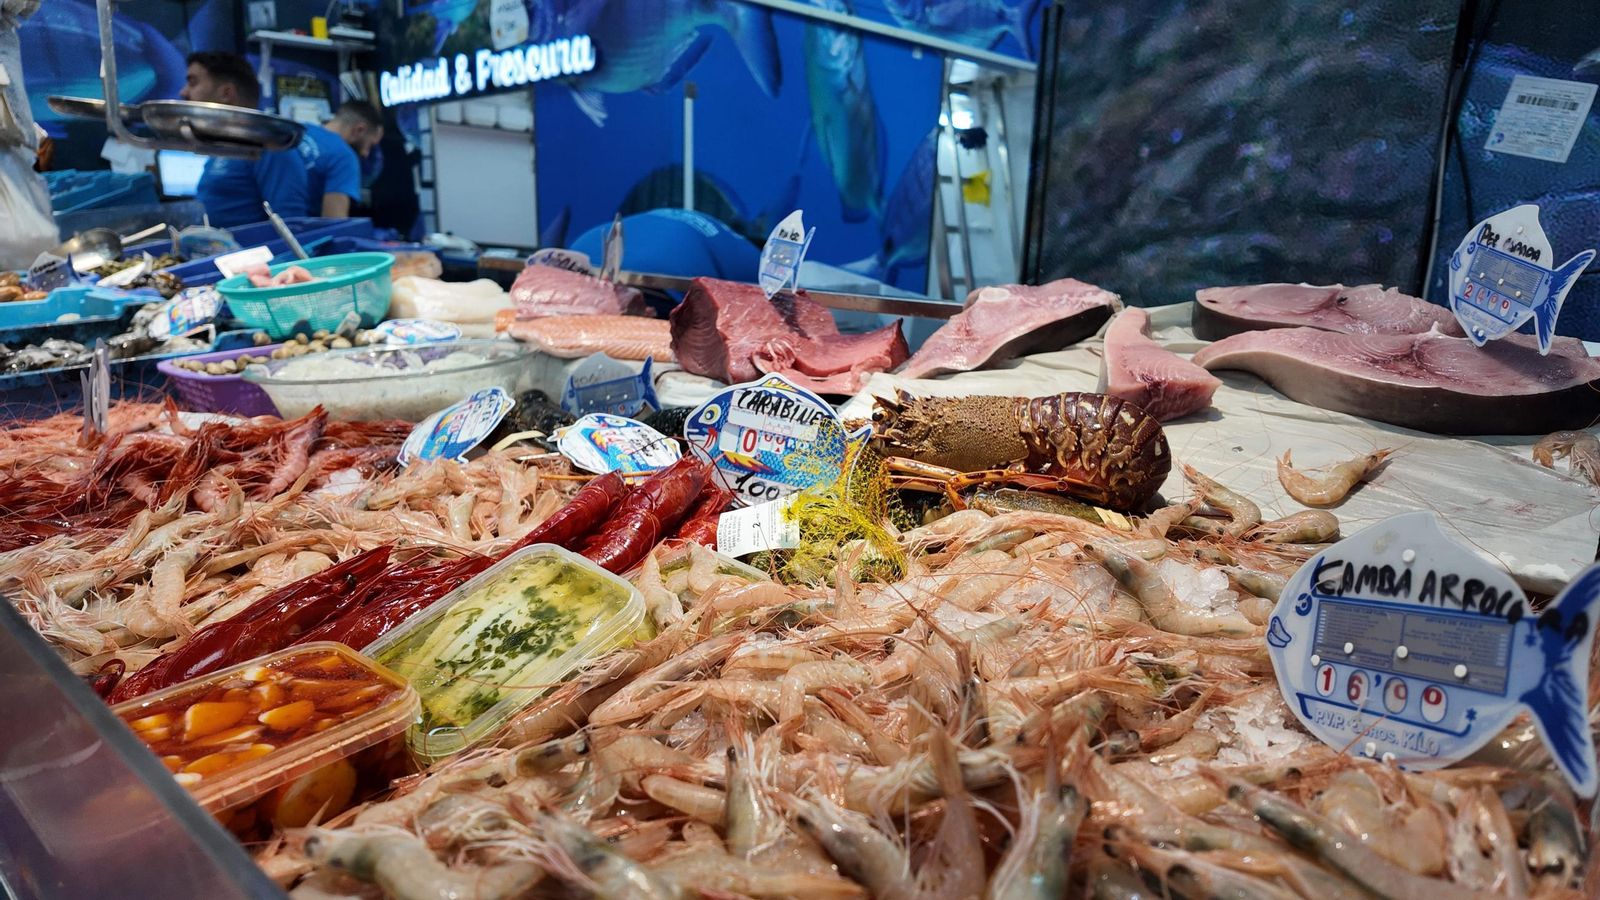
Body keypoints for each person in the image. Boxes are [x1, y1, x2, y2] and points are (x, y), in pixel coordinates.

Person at [180, 51, 308, 227]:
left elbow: (291, 226)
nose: (183, 92)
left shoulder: (272, 147)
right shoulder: (225, 147)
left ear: (226, 93)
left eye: (193, 82)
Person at [301, 100, 384, 218]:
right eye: (369, 145)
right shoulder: (344, 156)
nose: (366, 154)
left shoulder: (298, 132)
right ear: (359, 130)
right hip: (298, 229)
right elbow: (334, 222)